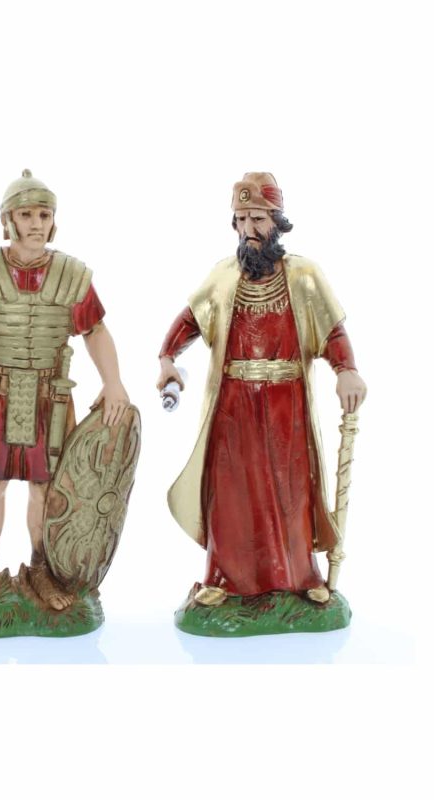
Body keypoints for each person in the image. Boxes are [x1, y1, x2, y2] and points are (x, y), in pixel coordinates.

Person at [157, 172, 366, 607]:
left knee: (291, 491)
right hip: (233, 405)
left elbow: (332, 331)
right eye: (241, 219)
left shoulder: (304, 275)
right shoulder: (223, 276)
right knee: (230, 492)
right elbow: (190, 319)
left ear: (277, 222)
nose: (248, 229)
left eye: (258, 218)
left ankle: (301, 575)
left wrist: (346, 370)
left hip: (285, 404)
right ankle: (222, 577)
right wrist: (167, 358)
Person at [0, 170, 129, 612]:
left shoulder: (71, 275)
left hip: (50, 397)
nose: (36, 223)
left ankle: (41, 568)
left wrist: (113, 382)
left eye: (44, 214)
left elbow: (95, 330)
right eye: (26, 215)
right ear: (8, 220)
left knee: (46, 487)